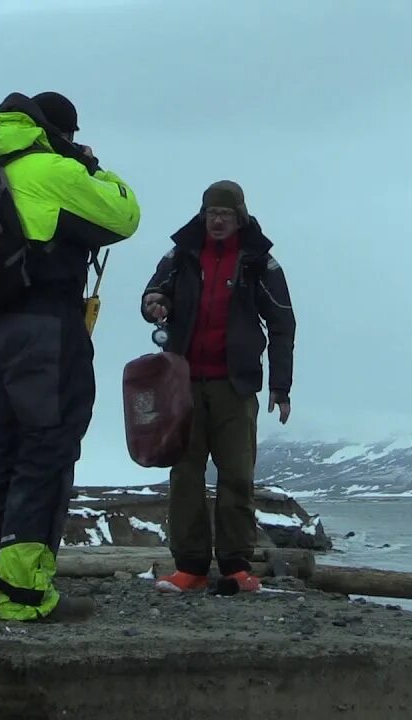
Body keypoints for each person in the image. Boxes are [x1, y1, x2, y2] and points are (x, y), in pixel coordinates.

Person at [0, 91, 141, 621]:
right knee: (47, 449)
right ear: (57, 132)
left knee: (4, 454)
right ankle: (24, 595)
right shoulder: (49, 169)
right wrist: (94, 167)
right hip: (44, 328)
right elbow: (124, 214)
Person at [139, 180, 295, 594]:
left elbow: (282, 324)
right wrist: (155, 303)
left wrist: (281, 386)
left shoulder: (260, 262)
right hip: (183, 383)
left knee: (237, 477)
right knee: (185, 474)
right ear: (203, 215)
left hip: (235, 386)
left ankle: (236, 567)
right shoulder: (182, 254)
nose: (218, 221)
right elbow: (153, 293)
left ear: (240, 215)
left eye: (225, 214)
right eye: (212, 213)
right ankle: (188, 567)